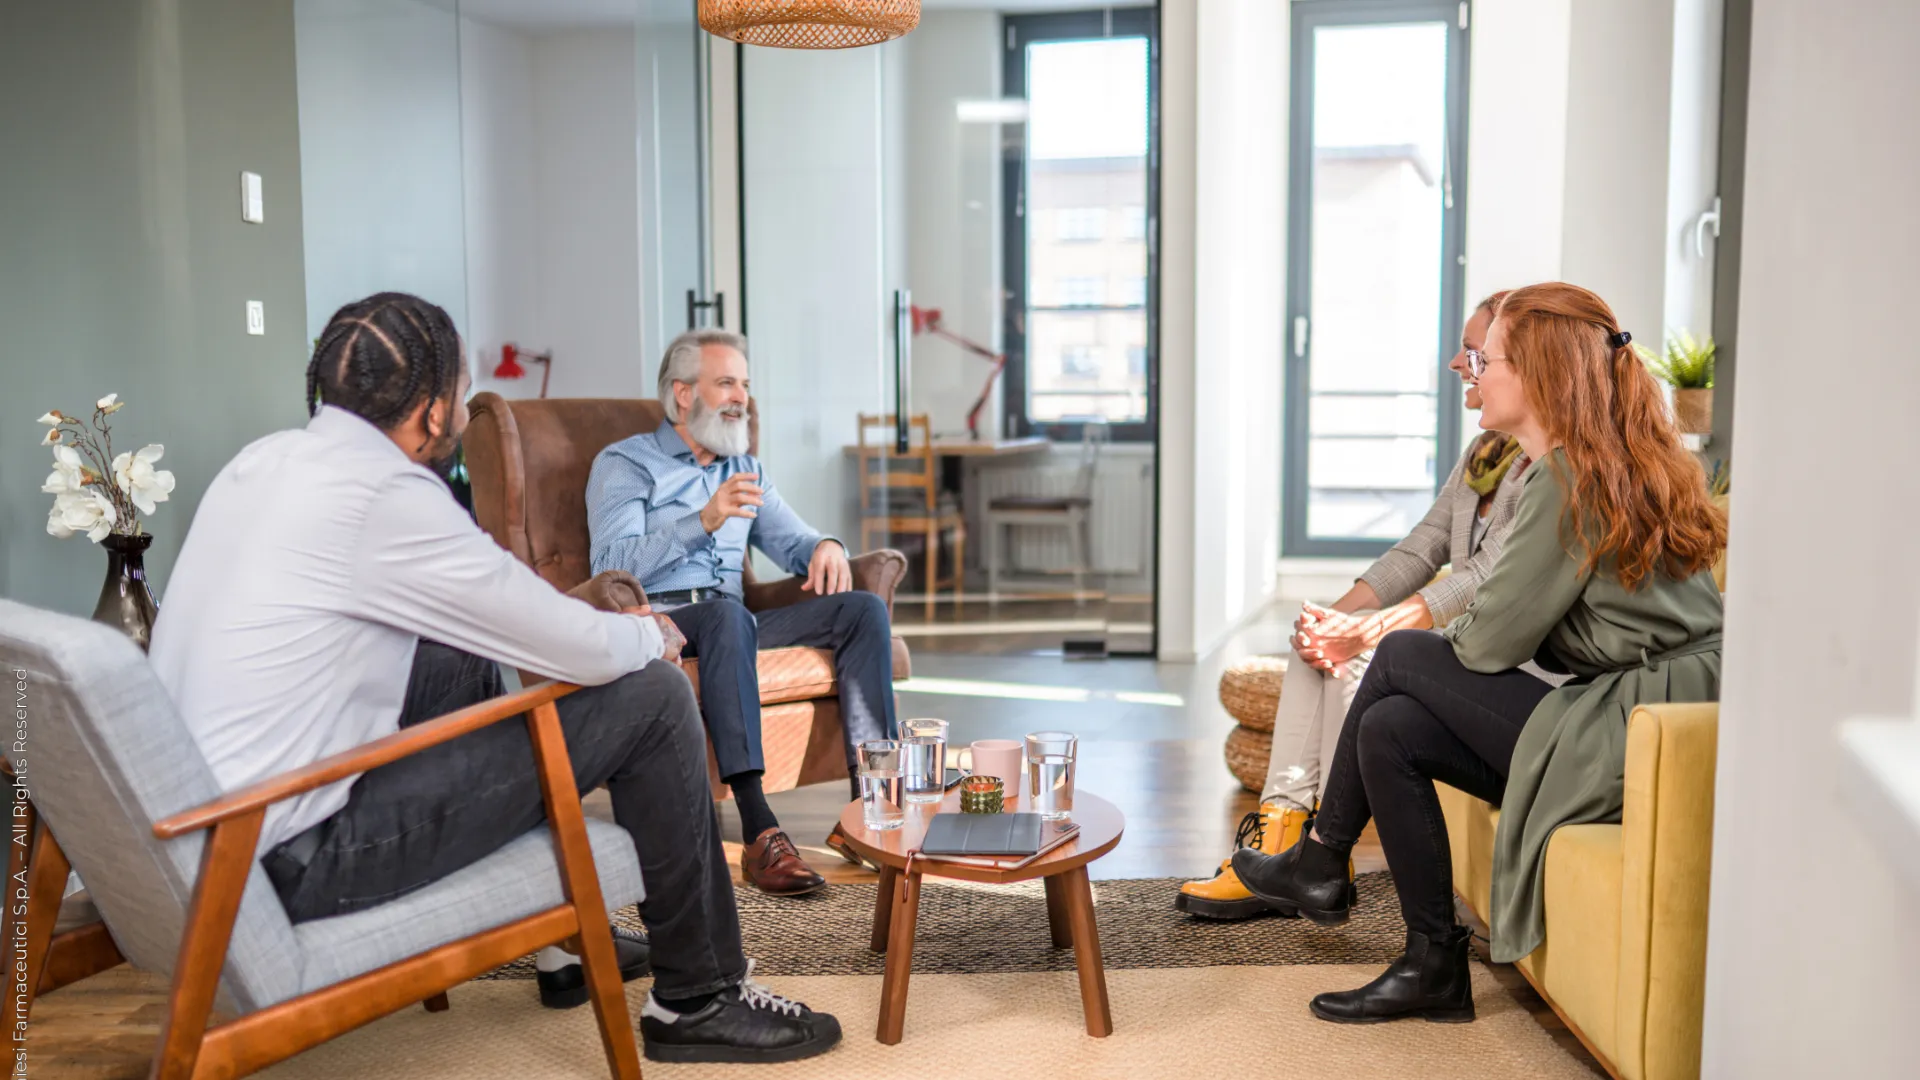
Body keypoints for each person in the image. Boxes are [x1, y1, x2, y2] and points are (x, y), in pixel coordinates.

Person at [148, 293, 842, 1064]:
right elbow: (568, 646)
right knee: (654, 697)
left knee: (459, 651)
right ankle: (697, 997)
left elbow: (498, 623)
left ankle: (562, 948)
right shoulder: (389, 496)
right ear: (433, 407)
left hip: (209, 833)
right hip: (294, 854)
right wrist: (646, 635)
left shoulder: (264, 460)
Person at [1231, 282, 1726, 1024]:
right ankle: (1431, 959)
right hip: (1633, 708)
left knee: (1399, 661)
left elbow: (1492, 640)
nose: (1472, 371)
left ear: (1538, 373)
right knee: (1388, 726)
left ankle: (1322, 858)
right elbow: (1479, 603)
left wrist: (1411, 631)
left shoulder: (1567, 478)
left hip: (1642, 723)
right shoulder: (1588, 462)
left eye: (1486, 358)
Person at [1178, 291, 1540, 921]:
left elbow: (1486, 579)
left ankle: (1319, 855)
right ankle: (1283, 831)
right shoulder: (1485, 454)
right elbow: (1424, 546)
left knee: (1354, 654)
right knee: (1317, 641)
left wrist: (1360, 630)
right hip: (1452, 631)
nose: (1458, 363)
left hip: (1496, 652)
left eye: (1475, 351)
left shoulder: (1544, 472)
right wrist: (1334, 616)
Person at [586, 329, 897, 897]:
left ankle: (872, 817)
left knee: (862, 610)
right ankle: (760, 829)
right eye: (725, 382)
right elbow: (610, 564)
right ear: (683, 395)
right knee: (728, 616)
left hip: (734, 625)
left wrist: (827, 545)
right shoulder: (627, 463)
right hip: (666, 626)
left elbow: (795, 542)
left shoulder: (744, 468)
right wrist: (699, 521)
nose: (741, 398)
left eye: (745, 385)